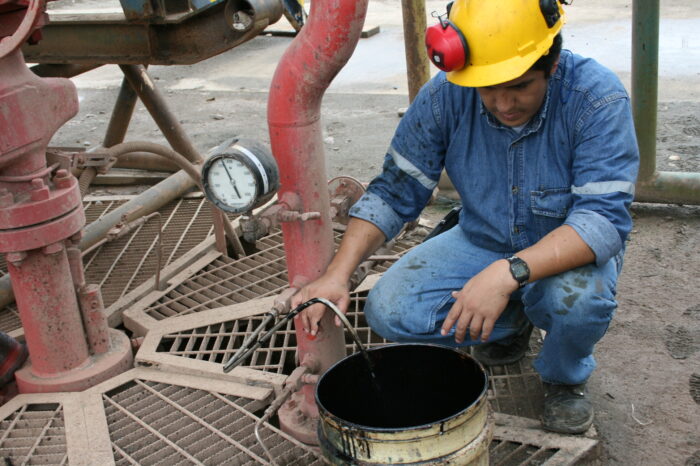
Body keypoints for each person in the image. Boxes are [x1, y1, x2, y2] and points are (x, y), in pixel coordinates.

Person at [291, 0, 639, 434]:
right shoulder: (445, 95)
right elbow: (396, 189)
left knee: (578, 302)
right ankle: (510, 325)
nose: (503, 103)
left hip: (567, 251)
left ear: (550, 64)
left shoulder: (596, 98)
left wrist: (507, 273)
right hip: (482, 239)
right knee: (389, 311)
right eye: (487, 88)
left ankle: (563, 378)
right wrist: (338, 274)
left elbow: (602, 222)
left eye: (519, 86)